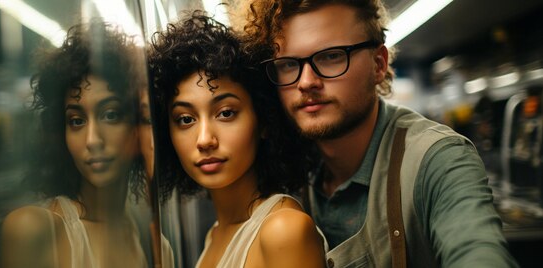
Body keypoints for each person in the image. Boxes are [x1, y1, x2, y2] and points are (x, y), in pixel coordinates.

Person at [242, 0, 518, 267]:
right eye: (289, 64)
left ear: (378, 64)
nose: (306, 82)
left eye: (331, 56)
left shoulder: (437, 159)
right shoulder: (286, 167)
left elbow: (478, 253)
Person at [148, 11, 327, 268]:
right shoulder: (216, 233)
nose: (204, 139)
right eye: (185, 119)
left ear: (264, 120)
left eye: (226, 113)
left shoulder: (284, 230)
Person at [0, 20, 150, 268]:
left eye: (111, 114)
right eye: (77, 121)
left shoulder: (151, 237)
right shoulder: (33, 231)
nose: (92, 140)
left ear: (139, 124)